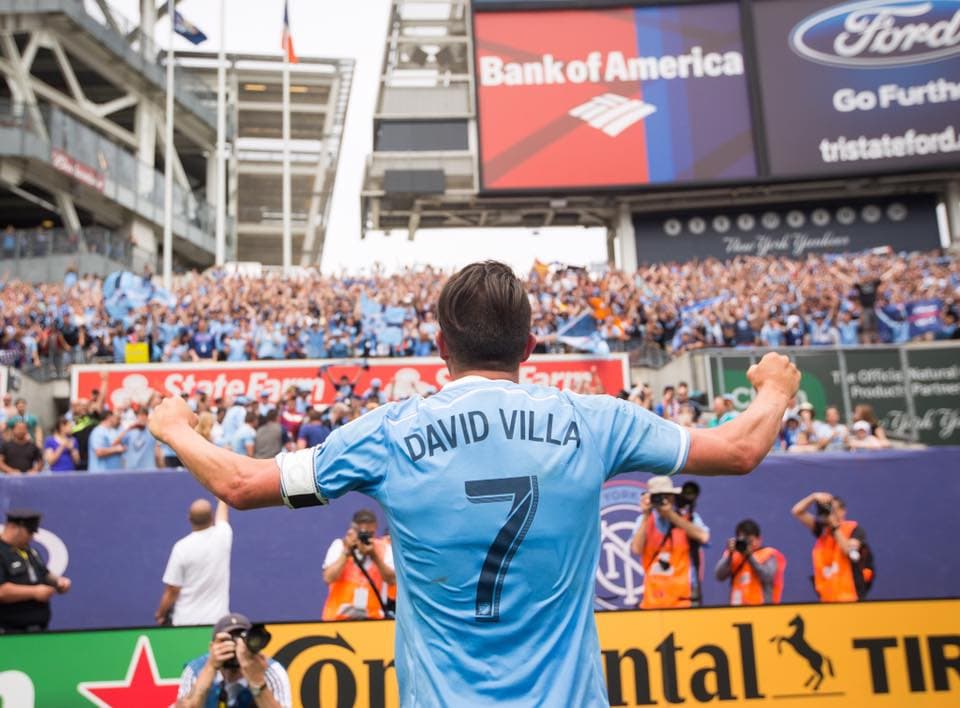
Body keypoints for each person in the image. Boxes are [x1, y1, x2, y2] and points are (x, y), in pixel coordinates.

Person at [149, 260, 801, 706]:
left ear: (440, 346)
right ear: (529, 345)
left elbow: (241, 483)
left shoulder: (389, 433)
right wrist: (773, 389)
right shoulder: (595, 421)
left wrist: (177, 428)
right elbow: (740, 448)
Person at [176, 613, 291, 708]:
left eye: (241, 639)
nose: (236, 647)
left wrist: (258, 682)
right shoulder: (195, 670)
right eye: (227, 640)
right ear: (212, 647)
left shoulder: (269, 670)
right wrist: (210, 668)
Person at [629, 476, 710, 609]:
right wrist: (645, 515)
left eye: (667, 496)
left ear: (673, 497)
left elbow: (703, 537)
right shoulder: (644, 521)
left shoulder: (688, 518)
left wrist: (671, 515)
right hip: (653, 599)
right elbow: (636, 549)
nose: (663, 500)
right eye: (658, 497)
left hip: (684, 599)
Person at [155, 499, 232, 626]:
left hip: (185, 623)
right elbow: (223, 514)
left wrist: (160, 613)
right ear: (212, 516)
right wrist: (222, 499)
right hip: (217, 622)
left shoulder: (181, 548)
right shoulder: (223, 536)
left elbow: (172, 590)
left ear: (189, 519)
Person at [791, 492, 872, 603]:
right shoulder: (823, 530)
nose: (830, 513)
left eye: (833, 510)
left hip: (851, 596)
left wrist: (834, 528)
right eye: (828, 510)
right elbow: (797, 511)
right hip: (828, 598)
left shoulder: (854, 529)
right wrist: (813, 497)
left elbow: (848, 551)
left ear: (842, 511)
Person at [0, 509, 71, 633]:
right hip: (9, 631)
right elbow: (1, 591)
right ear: (14, 527)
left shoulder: (30, 551)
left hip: (37, 628)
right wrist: (34, 592)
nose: (32, 537)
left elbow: (43, 573)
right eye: (29, 532)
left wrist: (58, 582)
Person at [321, 509, 396, 620]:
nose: (364, 536)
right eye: (361, 532)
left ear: (375, 528)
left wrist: (374, 556)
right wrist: (346, 552)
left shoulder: (384, 549)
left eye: (369, 533)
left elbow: (392, 580)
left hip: (373, 620)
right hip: (338, 619)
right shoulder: (340, 546)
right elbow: (328, 578)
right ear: (352, 529)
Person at [714, 519, 785, 606]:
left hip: (762, 609)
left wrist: (749, 556)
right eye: (744, 540)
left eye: (750, 541)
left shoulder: (768, 555)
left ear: (759, 539)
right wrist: (729, 555)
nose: (747, 544)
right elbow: (719, 576)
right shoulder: (734, 555)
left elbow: (767, 577)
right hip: (737, 609)